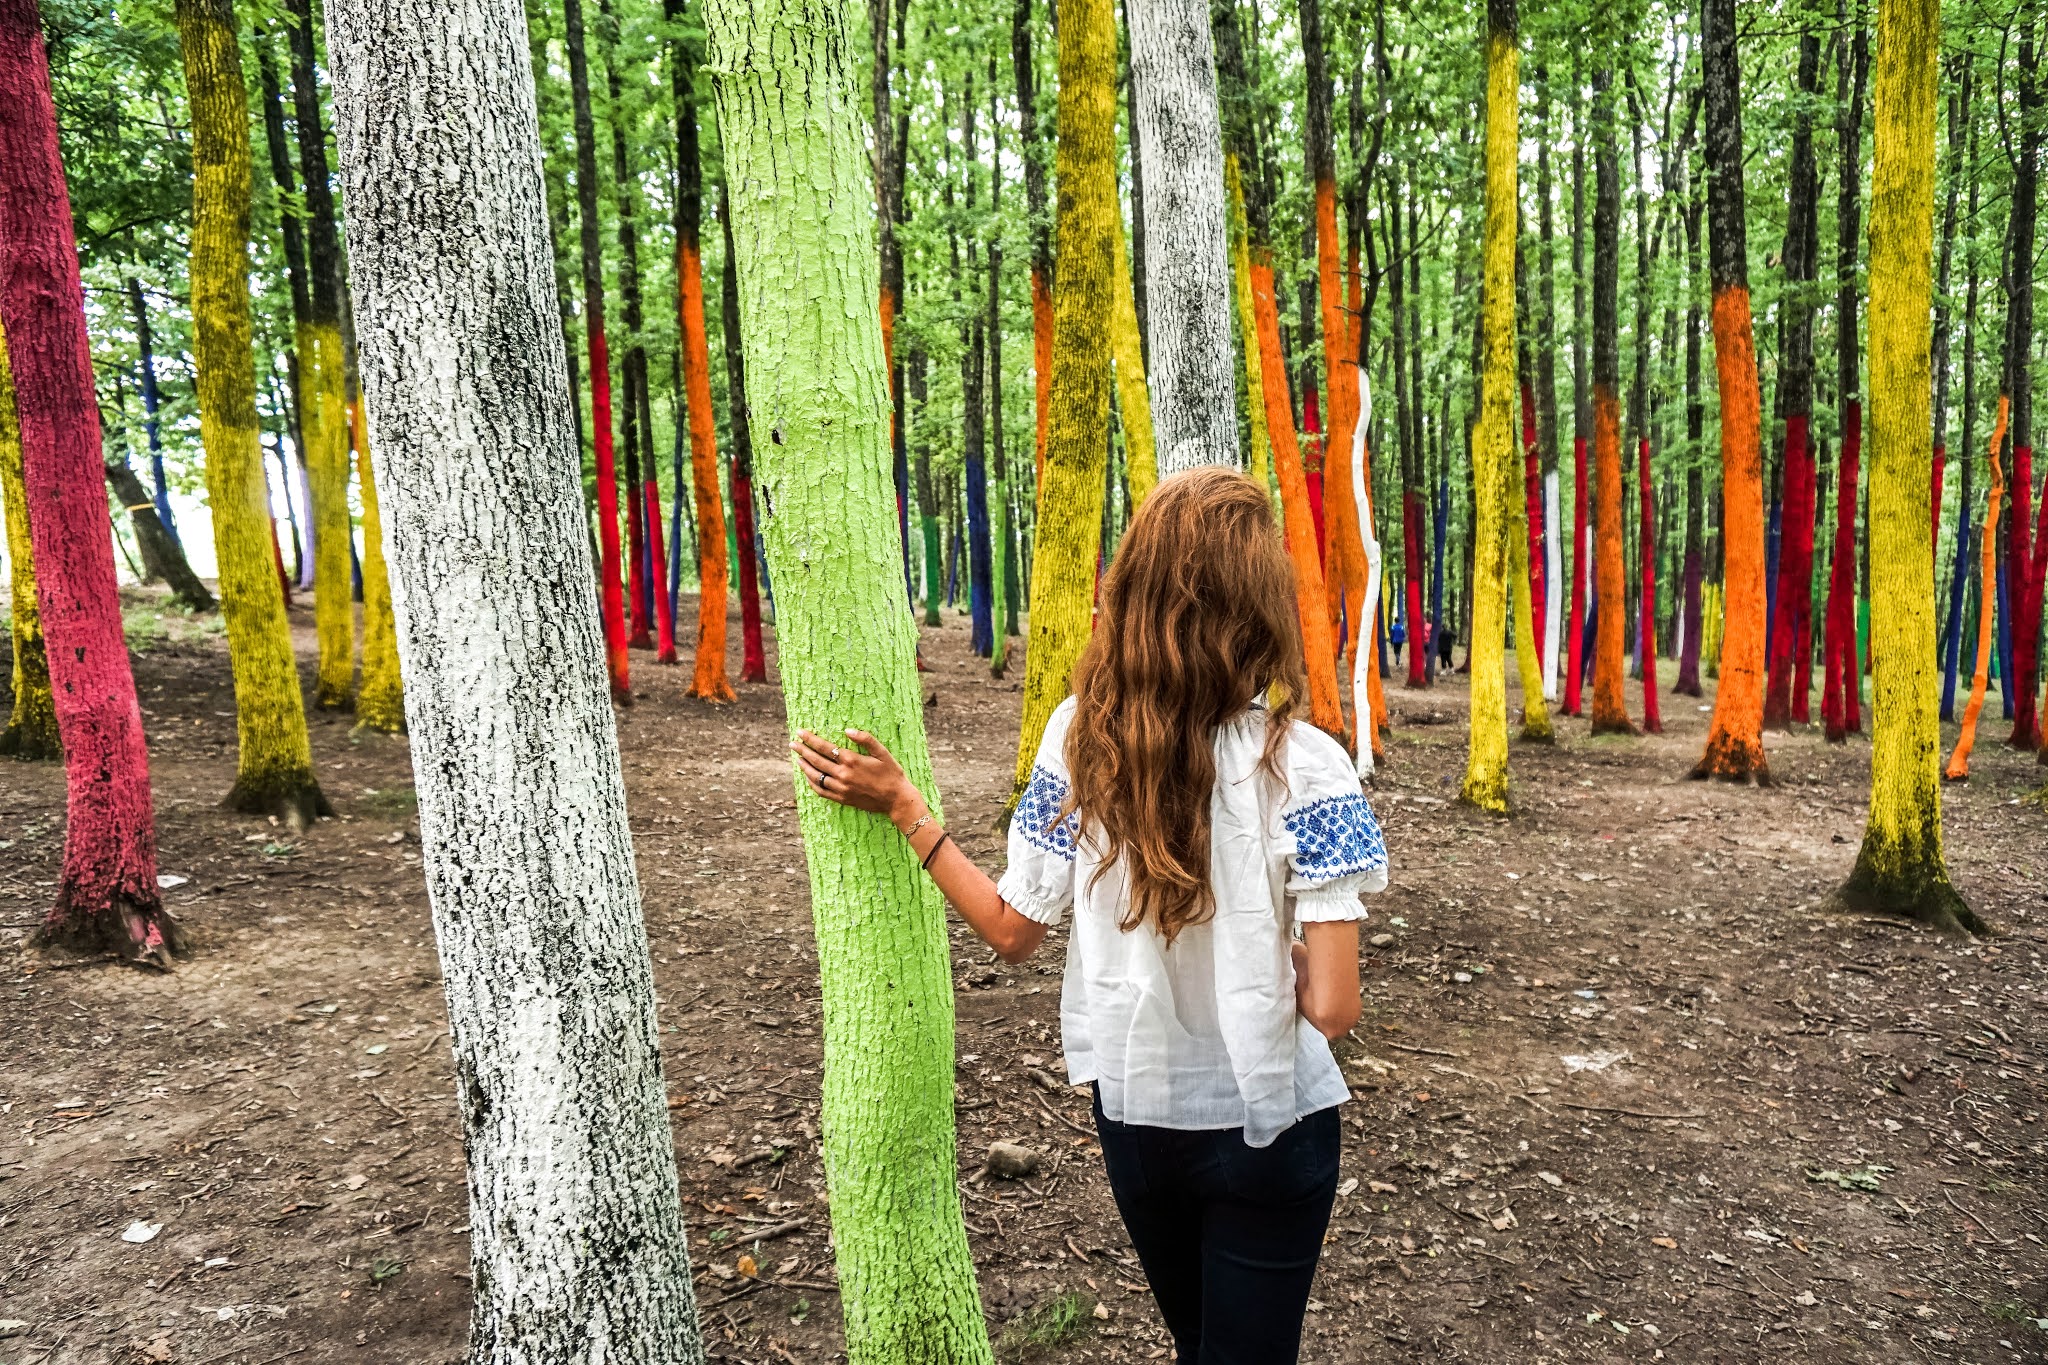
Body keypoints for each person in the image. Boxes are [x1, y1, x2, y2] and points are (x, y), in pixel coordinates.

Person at [794, 468, 1388, 1365]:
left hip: (1138, 1115)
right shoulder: (1308, 766)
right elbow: (1334, 1010)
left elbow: (1010, 928)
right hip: (1271, 1123)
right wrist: (1284, 965)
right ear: (1260, 609)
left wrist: (907, 808)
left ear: (1135, 593)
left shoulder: (1083, 738)